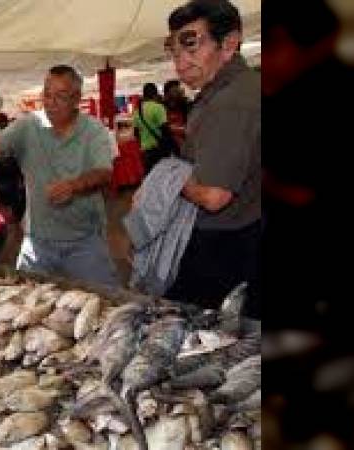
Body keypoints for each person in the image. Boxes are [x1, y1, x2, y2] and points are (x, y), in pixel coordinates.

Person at [0, 65, 118, 288]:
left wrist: (74, 185)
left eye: (60, 96)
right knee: (24, 299)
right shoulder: (30, 125)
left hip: (84, 242)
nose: (50, 102)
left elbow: (104, 173)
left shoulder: (93, 130)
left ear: (76, 99)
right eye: (46, 94)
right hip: (38, 242)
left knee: (104, 299)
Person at [160, 0, 261, 318]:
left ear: (229, 44)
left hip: (226, 241)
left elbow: (214, 196)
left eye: (191, 45)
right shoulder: (233, 89)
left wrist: (169, 177)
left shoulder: (231, 101)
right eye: (175, 52)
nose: (181, 62)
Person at [132, 82, 171, 174]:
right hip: (159, 149)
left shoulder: (137, 111)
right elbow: (165, 130)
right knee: (163, 176)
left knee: (151, 177)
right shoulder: (158, 108)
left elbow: (136, 133)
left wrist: (143, 144)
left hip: (145, 151)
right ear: (155, 94)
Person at [162, 79, 190, 148]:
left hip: (186, 144)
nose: (179, 92)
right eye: (175, 90)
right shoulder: (161, 108)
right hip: (169, 146)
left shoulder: (186, 105)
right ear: (167, 93)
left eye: (178, 90)